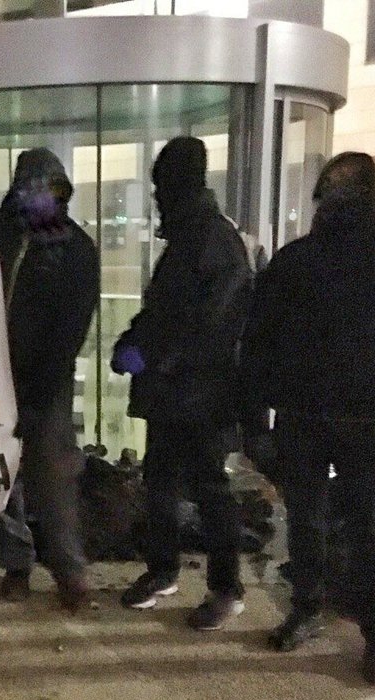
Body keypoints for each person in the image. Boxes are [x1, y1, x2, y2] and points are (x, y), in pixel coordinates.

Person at [240, 151, 375, 688]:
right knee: (327, 523)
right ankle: (334, 618)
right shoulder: (321, 262)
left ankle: (371, 632)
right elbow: (259, 346)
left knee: (357, 528)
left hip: (353, 421)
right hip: (321, 418)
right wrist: (256, 422)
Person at [111, 136, 251, 630]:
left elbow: (211, 327)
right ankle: (163, 570)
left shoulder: (214, 243)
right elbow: (162, 314)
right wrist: (133, 342)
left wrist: (154, 357)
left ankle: (227, 589)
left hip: (203, 396)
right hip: (173, 394)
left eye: (160, 187)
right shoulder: (191, 241)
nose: (155, 198)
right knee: (161, 485)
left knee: (210, 492)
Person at [0, 148, 98, 612]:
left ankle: (70, 571)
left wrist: (41, 391)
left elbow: (71, 327)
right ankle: (17, 564)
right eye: (29, 187)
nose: (38, 196)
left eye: (47, 188)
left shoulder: (76, 249)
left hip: (46, 379)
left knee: (54, 475)